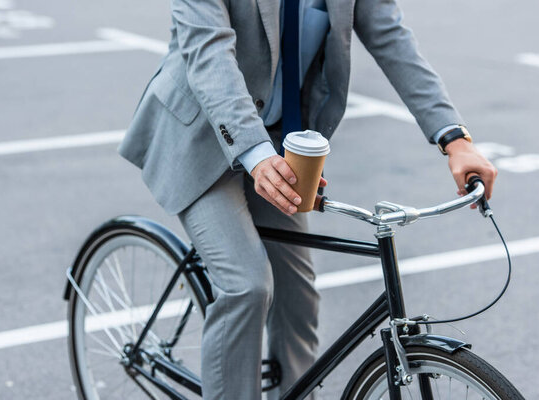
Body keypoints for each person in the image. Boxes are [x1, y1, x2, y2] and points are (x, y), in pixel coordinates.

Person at [117, 0, 498, 398]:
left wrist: (454, 139)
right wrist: (256, 155)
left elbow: (391, 37)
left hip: (281, 143)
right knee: (247, 285)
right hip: (199, 138)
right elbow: (209, 54)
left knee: (297, 299)